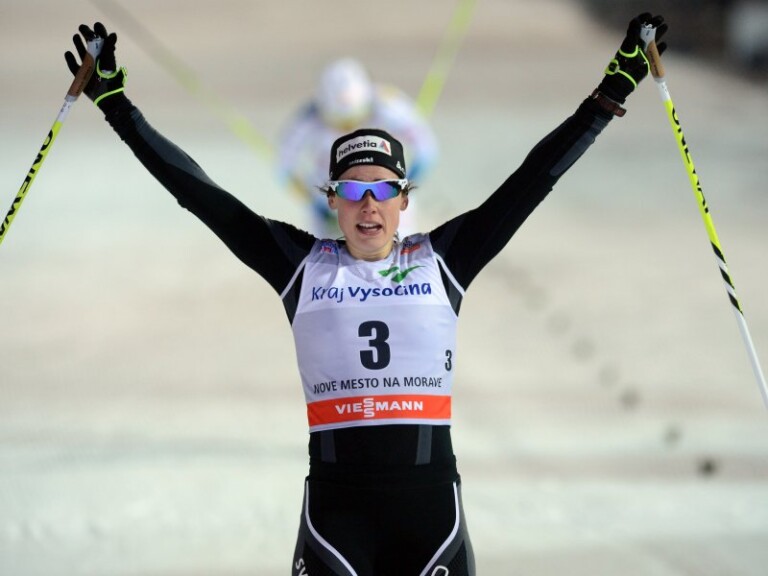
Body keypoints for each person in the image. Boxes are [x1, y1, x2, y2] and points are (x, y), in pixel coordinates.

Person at [65, 13, 667, 575]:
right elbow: (201, 195)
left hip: (431, 517)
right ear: (332, 201)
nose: (368, 206)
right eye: (353, 192)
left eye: (382, 190)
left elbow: (532, 181)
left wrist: (611, 93)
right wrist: (118, 107)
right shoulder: (302, 266)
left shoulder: (443, 260)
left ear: (405, 198)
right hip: (337, 521)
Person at [277, 57, 438, 238]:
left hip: (387, 194)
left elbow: (425, 149)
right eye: (339, 122)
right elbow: (285, 166)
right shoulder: (307, 119)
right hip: (330, 202)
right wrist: (314, 201)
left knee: (398, 244)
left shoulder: (390, 106)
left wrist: (405, 185)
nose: (348, 129)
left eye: (355, 119)